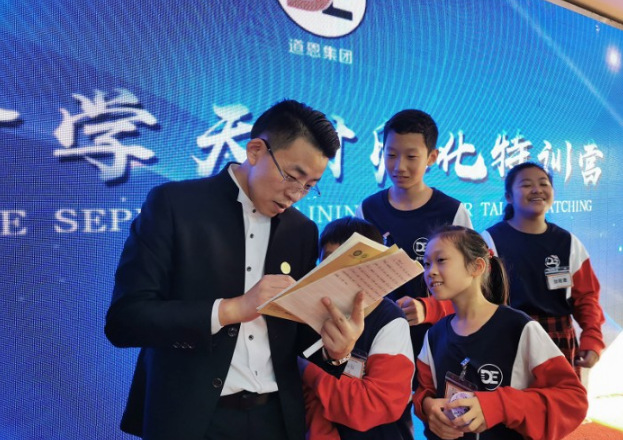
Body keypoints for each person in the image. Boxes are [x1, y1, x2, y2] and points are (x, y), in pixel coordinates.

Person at [105, 100, 365, 440]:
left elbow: (296, 335)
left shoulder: (301, 231)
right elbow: (125, 321)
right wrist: (231, 309)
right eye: (292, 176)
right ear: (255, 151)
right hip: (192, 419)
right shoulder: (175, 206)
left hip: (275, 420)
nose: (295, 194)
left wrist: (336, 350)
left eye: (309, 185)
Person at [413, 225, 587, 440]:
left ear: (477, 267)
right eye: (426, 263)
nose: (430, 271)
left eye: (441, 260)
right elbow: (425, 391)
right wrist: (427, 406)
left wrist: (499, 405)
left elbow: (572, 399)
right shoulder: (434, 335)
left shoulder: (519, 328)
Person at [357, 109, 472, 374]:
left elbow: (472, 284)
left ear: (432, 157)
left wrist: (428, 308)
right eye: (391, 155)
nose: (399, 167)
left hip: (438, 335)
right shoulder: (368, 210)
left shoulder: (452, 212)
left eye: (411, 157)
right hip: (379, 335)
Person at [481, 162, 605, 376]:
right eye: (526, 185)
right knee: (511, 397)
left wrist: (592, 338)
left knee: (561, 397)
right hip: (508, 337)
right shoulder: (489, 241)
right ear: (509, 196)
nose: (537, 190)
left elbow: (587, 298)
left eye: (543, 184)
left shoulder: (568, 242)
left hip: (558, 341)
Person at [299, 216, 415, 439]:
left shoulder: (390, 321)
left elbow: (371, 407)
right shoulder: (311, 313)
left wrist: (306, 370)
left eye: (346, 266)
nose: (336, 275)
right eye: (328, 264)